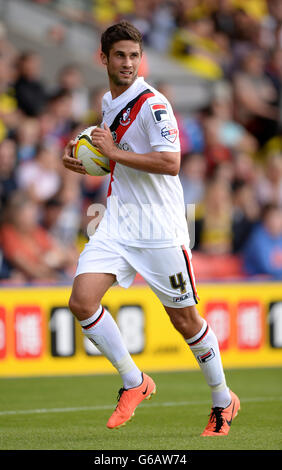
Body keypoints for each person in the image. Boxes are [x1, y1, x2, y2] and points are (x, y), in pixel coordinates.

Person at [62, 20, 240, 436]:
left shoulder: (154, 103)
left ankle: (222, 399)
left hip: (159, 227)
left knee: (186, 321)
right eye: (120, 55)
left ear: (141, 60)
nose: (128, 63)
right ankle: (134, 381)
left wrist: (114, 154)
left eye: (134, 56)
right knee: (82, 300)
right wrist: (85, 160)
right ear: (102, 58)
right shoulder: (109, 101)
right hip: (119, 222)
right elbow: (113, 155)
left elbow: (170, 162)